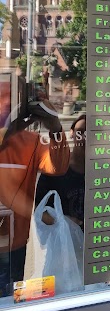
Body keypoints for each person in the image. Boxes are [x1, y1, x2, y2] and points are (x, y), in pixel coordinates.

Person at [0, 81, 70, 294]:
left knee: (11, 299)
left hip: (14, 245)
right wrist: (13, 127)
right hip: (12, 242)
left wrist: (55, 127)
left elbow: (58, 167)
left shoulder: (31, 141)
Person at [35, 115, 86, 229]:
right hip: (61, 237)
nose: (84, 137)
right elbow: (36, 207)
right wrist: (61, 221)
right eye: (80, 132)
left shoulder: (104, 171)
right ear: (72, 133)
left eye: (90, 133)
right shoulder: (55, 166)